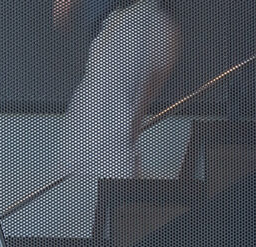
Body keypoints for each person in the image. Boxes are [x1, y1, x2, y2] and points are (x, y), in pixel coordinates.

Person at [54, 0, 180, 181]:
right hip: (129, 22)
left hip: (133, 20)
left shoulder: (141, 23)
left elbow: (162, 62)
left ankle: (119, 185)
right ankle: (120, 183)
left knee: (101, 132)